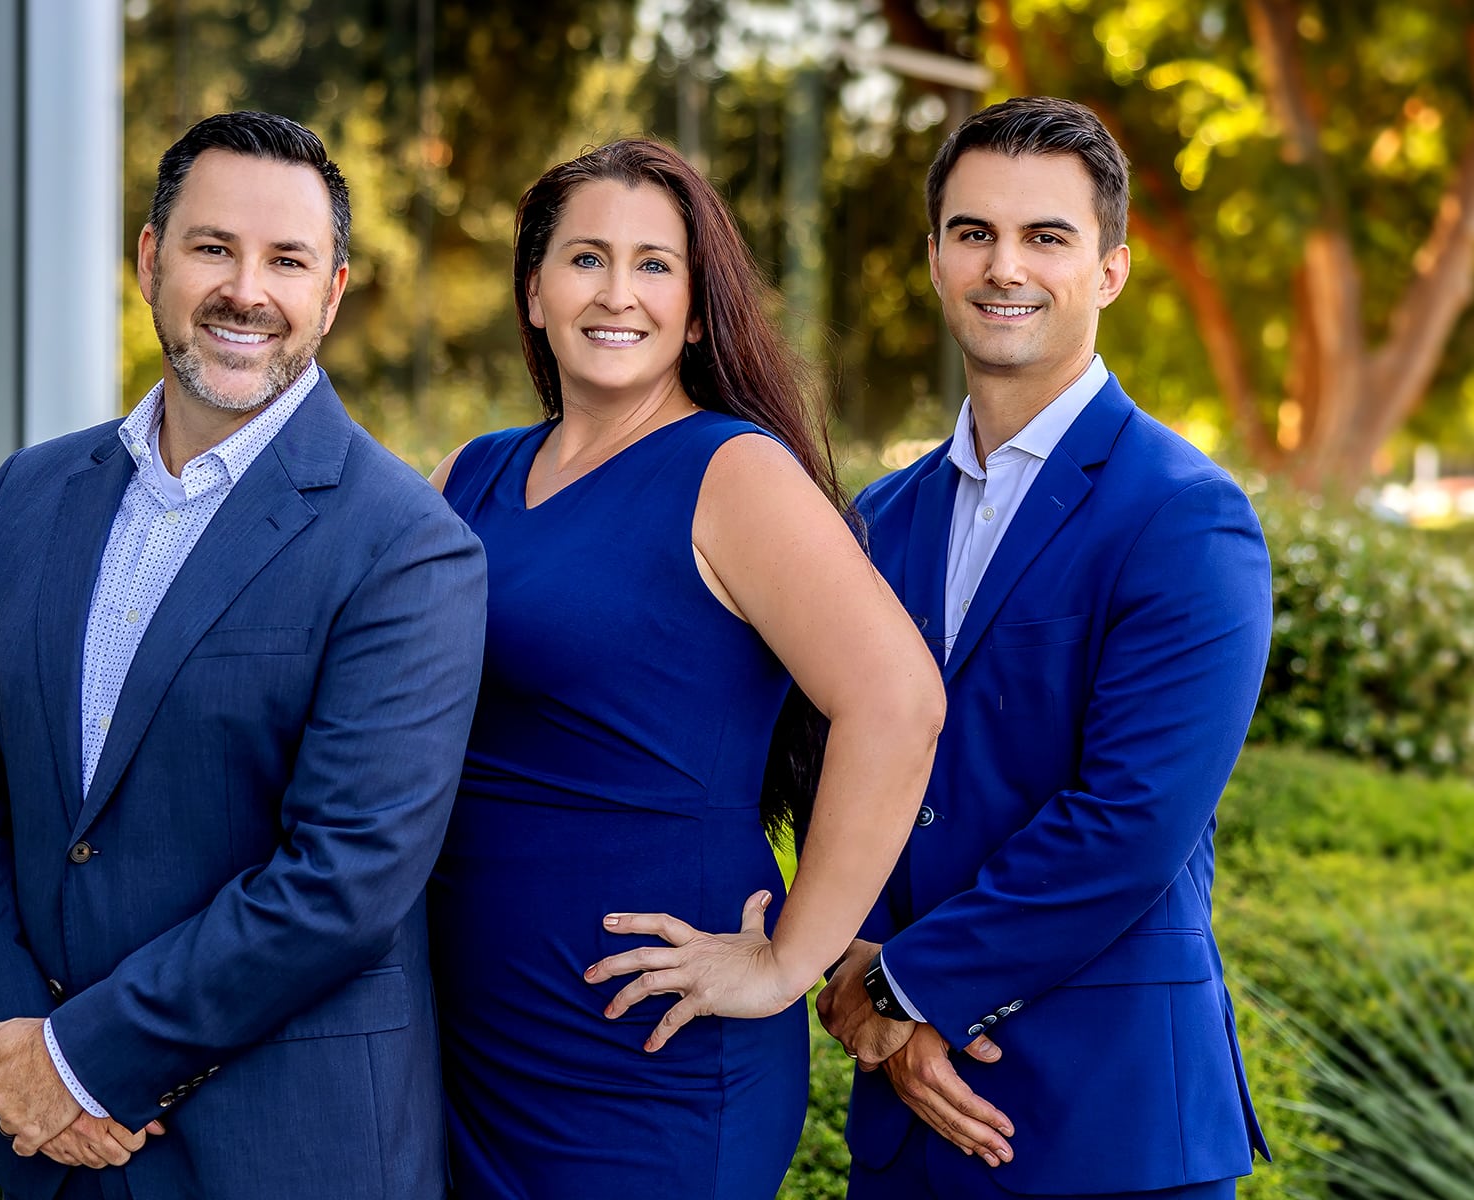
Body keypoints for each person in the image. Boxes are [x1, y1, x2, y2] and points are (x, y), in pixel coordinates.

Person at [0, 111, 486, 1200]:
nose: (245, 291)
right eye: (213, 247)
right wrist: (17, 1044)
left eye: (288, 261)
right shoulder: (30, 491)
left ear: (334, 292)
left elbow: (344, 880)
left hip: (289, 1151)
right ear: (150, 261)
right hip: (49, 1147)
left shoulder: (406, 544)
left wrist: (82, 1062)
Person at [425, 138, 944, 1199]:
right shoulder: (466, 477)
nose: (617, 293)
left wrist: (788, 960)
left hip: (645, 1056)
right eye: (586, 259)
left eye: (655, 265)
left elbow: (897, 703)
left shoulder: (732, 471)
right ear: (533, 292)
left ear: (699, 311)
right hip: (466, 1034)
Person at [817, 96, 1274, 1199]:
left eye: (1046, 236)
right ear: (935, 258)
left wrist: (903, 990)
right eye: (974, 232)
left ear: (1110, 271)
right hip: (904, 1135)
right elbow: (831, 760)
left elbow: (1132, 820)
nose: (1004, 266)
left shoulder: (1185, 515)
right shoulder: (879, 519)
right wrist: (851, 956)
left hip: (1108, 1126)